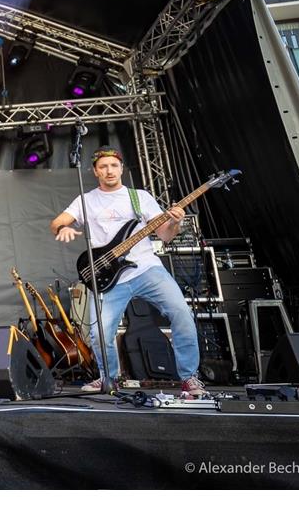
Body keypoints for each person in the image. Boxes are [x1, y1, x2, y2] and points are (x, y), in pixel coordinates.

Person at [50, 147, 206, 397]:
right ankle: (109, 379)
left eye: (113, 165)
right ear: (95, 171)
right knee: (100, 332)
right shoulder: (85, 200)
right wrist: (62, 229)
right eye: (103, 166)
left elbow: (164, 234)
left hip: (146, 268)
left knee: (181, 313)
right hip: (109, 277)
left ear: (121, 168)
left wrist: (175, 221)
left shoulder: (140, 197)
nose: (109, 170)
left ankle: (188, 377)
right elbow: (57, 222)